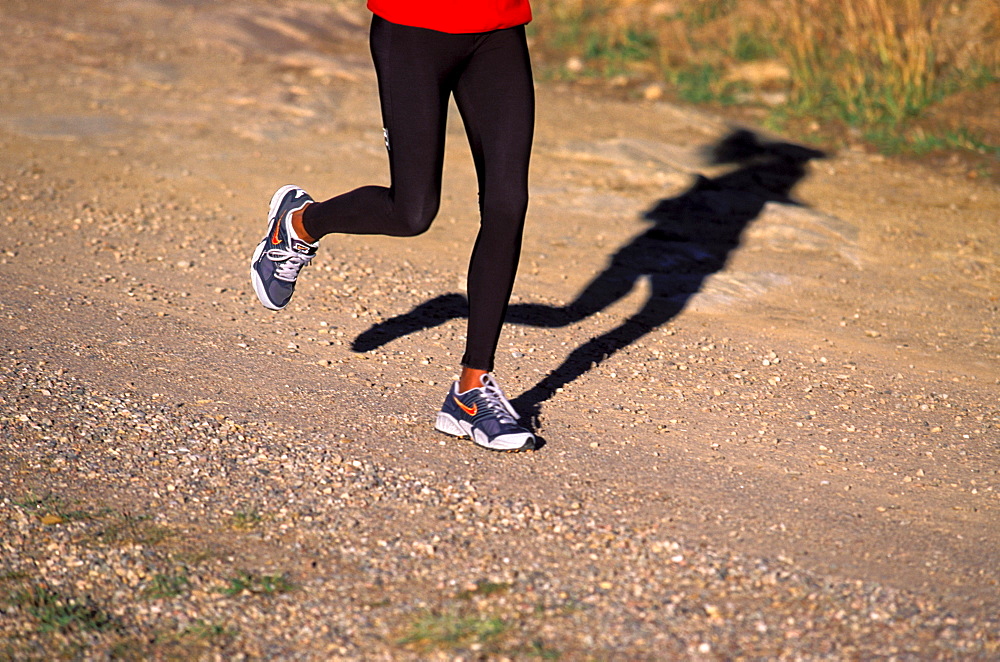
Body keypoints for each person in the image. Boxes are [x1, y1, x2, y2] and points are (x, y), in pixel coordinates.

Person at [250, 1, 536, 452]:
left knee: (508, 202)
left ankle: (472, 390)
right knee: (412, 212)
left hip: (497, 28)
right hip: (413, 28)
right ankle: (300, 224)